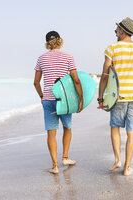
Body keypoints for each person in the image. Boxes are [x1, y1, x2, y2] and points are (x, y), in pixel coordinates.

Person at [98, 17, 133, 176]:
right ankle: (127, 168)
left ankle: (117, 160)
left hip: (118, 97)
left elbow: (105, 74)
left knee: (115, 127)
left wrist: (101, 97)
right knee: (131, 131)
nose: (115, 32)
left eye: (116, 30)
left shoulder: (112, 49)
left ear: (122, 30)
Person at [34, 31, 83, 174]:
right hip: (64, 99)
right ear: (60, 41)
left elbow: (36, 82)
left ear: (47, 43)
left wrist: (42, 96)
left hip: (48, 100)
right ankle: (65, 157)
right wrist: (80, 99)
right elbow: (76, 79)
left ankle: (54, 166)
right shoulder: (68, 57)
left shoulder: (41, 59)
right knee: (67, 127)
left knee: (51, 132)